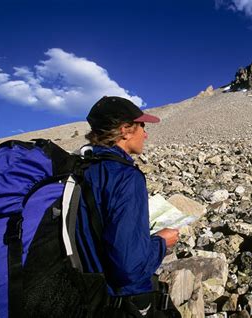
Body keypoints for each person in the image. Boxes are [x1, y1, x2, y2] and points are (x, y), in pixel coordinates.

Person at [77, 96, 180, 316]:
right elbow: (130, 268)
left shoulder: (82, 169)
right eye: (142, 126)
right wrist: (161, 242)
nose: (146, 133)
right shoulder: (125, 177)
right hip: (118, 301)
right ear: (125, 130)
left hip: (84, 293)